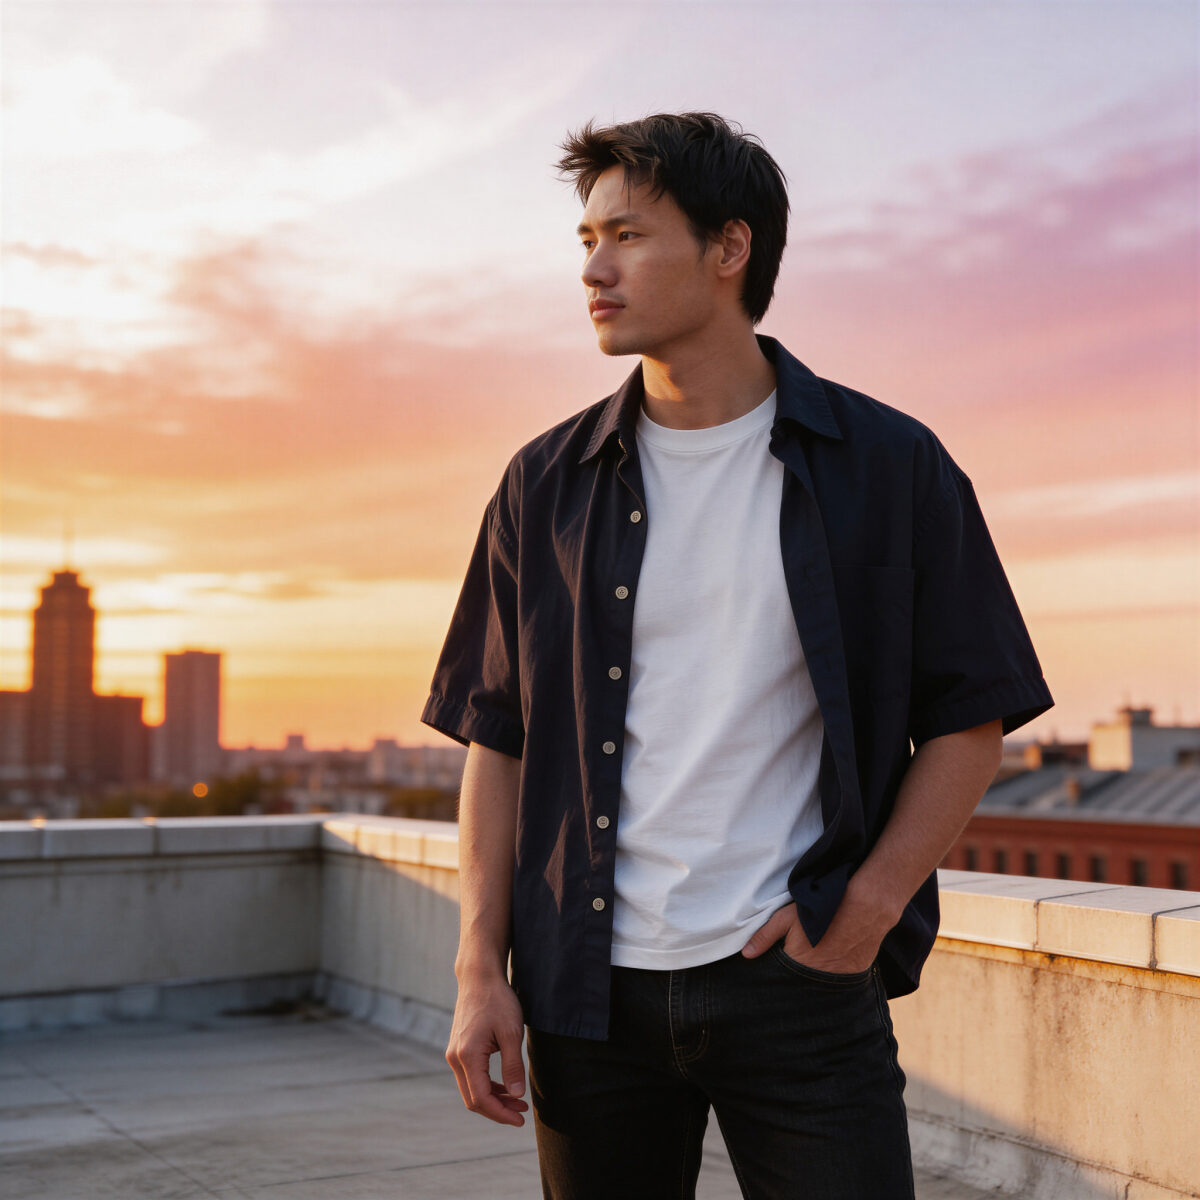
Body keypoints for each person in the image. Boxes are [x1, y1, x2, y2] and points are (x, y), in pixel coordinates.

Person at [422, 112, 1053, 1200]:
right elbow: (499, 739)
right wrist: (480, 967)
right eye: (586, 242)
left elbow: (971, 717)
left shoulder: (890, 465)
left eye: (628, 236)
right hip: (588, 997)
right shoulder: (544, 484)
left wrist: (864, 913)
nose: (595, 270)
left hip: (798, 987)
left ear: (730, 247)